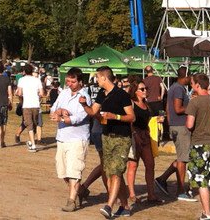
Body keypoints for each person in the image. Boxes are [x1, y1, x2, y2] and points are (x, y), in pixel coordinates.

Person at [80, 66, 134, 218]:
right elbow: (93, 112)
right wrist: (84, 105)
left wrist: (115, 116)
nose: (96, 80)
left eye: (97, 77)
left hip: (121, 138)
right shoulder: (101, 94)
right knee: (111, 173)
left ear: (104, 77)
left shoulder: (122, 95)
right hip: (106, 137)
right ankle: (124, 206)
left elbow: (132, 117)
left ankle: (109, 206)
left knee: (116, 172)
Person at [50, 68, 91, 212]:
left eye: (73, 81)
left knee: (74, 171)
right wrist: (59, 111)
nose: (69, 84)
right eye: (68, 81)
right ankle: (81, 191)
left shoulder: (84, 97)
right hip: (62, 138)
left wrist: (62, 119)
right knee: (63, 172)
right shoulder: (63, 93)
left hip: (77, 139)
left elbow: (80, 117)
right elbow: (53, 109)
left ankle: (71, 201)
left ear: (80, 82)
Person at [155, 65, 192, 201]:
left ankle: (162, 179)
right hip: (180, 126)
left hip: (176, 125)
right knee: (183, 159)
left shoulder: (174, 88)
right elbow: (177, 108)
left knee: (182, 157)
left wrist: (170, 124)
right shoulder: (178, 89)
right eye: (190, 76)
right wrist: (193, 105)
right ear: (185, 76)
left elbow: (168, 108)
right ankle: (180, 190)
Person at [185, 73, 210, 220]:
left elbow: (189, 124)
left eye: (192, 84)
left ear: (197, 85)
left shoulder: (195, 102)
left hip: (199, 143)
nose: (191, 86)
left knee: (202, 180)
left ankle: (207, 213)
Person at [125, 77, 162, 206]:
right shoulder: (131, 104)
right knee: (133, 165)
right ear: (135, 91)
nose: (145, 90)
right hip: (134, 135)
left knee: (150, 164)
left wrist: (158, 119)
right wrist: (133, 134)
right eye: (142, 89)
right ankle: (132, 194)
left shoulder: (147, 104)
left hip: (145, 136)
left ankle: (151, 194)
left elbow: (150, 118)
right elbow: (129, 121)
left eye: (145, 88)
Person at [16, 63, 43, 152]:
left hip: (26, 105)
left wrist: (21, 98)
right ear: (32, 71)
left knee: (29, 124)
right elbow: (41, 93)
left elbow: (19, 93)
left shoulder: (21, 80)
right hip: (36, 105)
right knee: (34, 123)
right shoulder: (37, 80)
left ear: (24, 71)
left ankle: (33, 144)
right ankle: (32, 142)